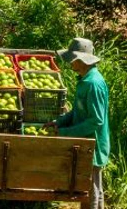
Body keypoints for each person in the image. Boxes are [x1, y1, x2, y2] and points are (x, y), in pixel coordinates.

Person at [46, 37, 110, 209]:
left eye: (72, 59)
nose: (69, 63)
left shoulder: (94, 84)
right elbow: (77, 111)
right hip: (85, 140)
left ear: (81, 60)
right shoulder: (84, 80)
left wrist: (66, 133)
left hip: (92, 143)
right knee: (91, 186)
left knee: (91, 189)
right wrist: (59, 122)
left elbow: (96, 120)